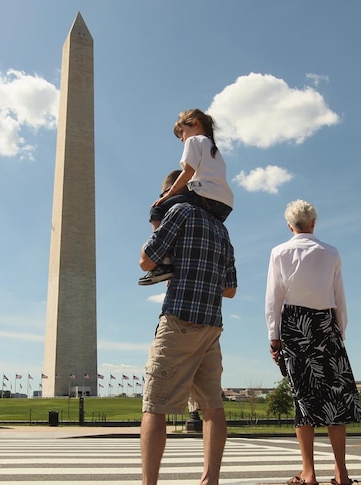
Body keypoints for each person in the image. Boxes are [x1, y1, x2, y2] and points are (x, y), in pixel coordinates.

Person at [139, 169, 237, 485]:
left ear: (174, 192)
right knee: (212, 406)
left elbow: (146, 260)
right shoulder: (222, 230)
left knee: (155, 406)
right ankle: (210, 480)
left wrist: (157, 221)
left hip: (179, 318)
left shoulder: (179, 212)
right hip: (212, 326)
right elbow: (231, 288)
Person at [265, 200, 361, 485]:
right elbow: (339, 295)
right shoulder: (331, 252)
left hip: (295, 325)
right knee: (336, 398)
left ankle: (308, 472)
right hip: (325, 324)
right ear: (313, 223)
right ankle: (341, 473)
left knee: (304, 398)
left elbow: (274, 297)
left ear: (289, 225)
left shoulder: (279, 252)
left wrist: (274, 336)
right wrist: (339, 332)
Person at [138, 109, 234, 286]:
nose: (182, 139)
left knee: (158, 208)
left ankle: (164, 261)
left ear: (195, 123)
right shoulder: (214, 150)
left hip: (205, 195)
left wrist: (169, 194)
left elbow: (188, 172)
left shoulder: (194, 141)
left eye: (181, 132)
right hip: (224, 204)